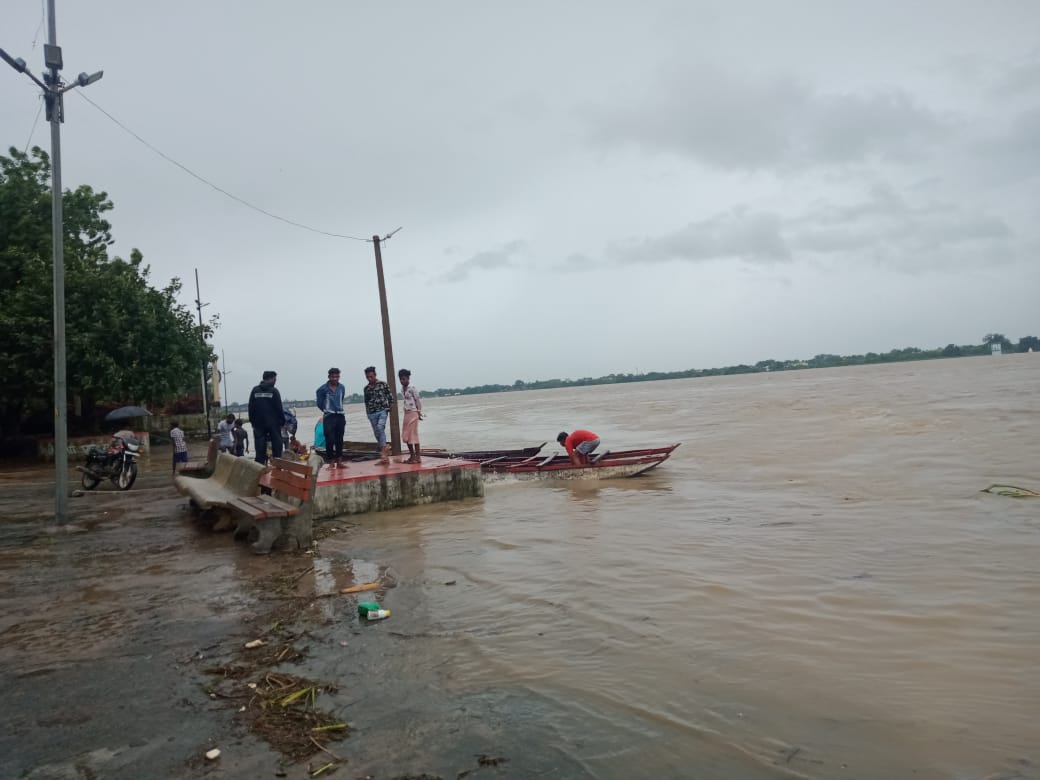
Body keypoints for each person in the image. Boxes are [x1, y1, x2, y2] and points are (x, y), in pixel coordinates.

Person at [248, 370, 284, 464]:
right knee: (277, 445)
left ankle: (260, 466)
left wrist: (252, 422)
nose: (275, 381)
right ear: (270, 379)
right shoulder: (274, 391)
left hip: (258, 424)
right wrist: (282, 422)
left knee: (259, 447)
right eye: (275, 379)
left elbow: (250, 407)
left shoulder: (255, 390)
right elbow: (279, 408)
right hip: (273, 424)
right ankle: (277, 465)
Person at [316, 367, 347, 468]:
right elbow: (319, 403)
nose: (335, 379)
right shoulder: (323, 389)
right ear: (329, 377)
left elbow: (341, 399)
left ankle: (339, 461)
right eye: (333, 377)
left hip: (340, 415)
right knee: (329, 439)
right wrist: (326, 409)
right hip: (329, 416)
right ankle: (331, 462)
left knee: (340, 439)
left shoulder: (342, 387)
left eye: (337, 376)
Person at [363, 366, 393, 462]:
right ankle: (385, 450)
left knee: (380, 428)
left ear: (375, 375)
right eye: (367, 377)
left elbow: (390, 396)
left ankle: (383, 452)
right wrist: (368, 413)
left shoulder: (383, 384)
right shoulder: (366, 388)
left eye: (371, 376)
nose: (369, 379)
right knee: (377, 433)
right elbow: (366, 402)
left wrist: (390, 407)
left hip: (382, 410)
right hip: (372, 413)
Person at [398, 368, 424, 464]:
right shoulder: (402, 389)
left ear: (408, 378)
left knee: (413, 435)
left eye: (404, 379)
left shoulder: (412, 387)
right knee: (406, 435)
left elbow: (417, 400)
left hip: (413, 413)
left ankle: (418, 457)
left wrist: (419, 412)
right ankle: (412, 455)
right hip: (406, 413)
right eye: (400, 379)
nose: (402, 381)